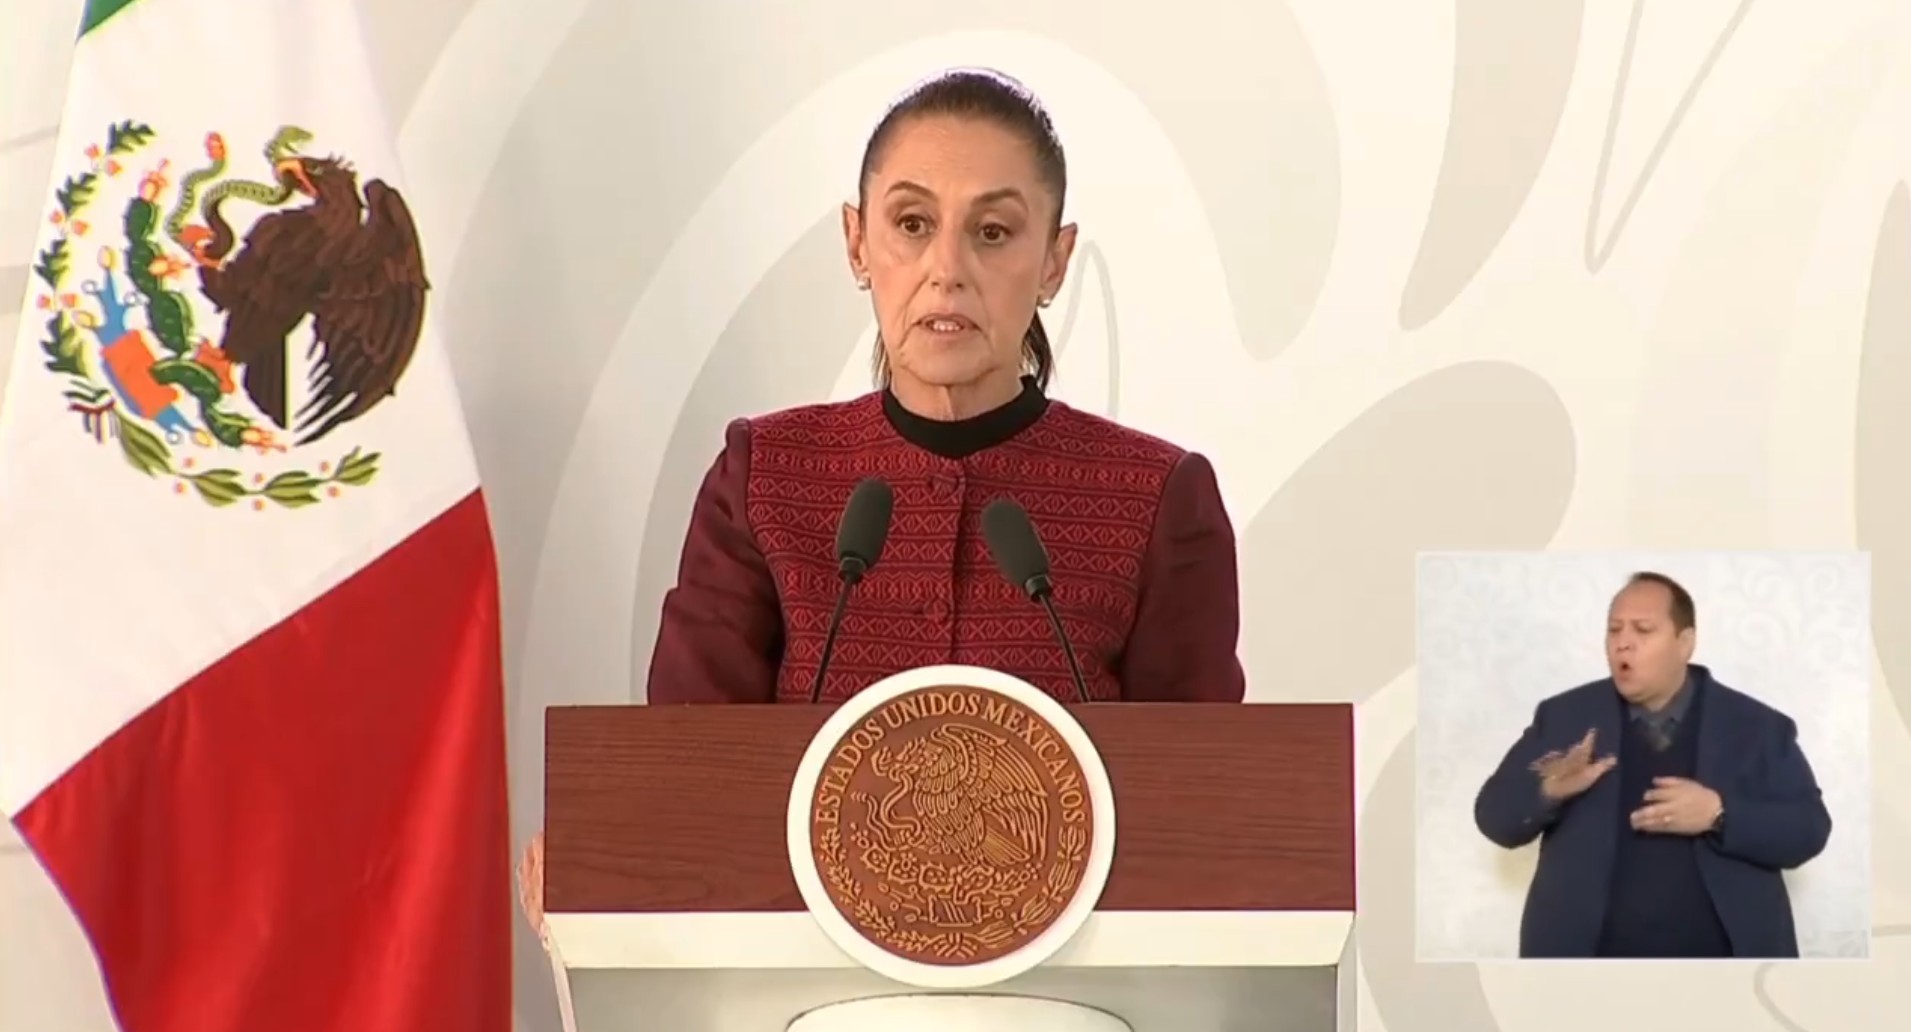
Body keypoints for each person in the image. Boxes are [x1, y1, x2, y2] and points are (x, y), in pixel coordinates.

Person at [645, 67, 1246, 705]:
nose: (947, 270)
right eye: (912, 224)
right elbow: (688, 768)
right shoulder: (762, 478)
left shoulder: (1155, 498)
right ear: (857, 243)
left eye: (992, 232)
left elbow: (1200, 785)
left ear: (1054, 261)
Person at [1472, 571, 1833, 958]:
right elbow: (1495, 819)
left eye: (1643, 630)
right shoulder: (1566, 718)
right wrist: (1549, 791)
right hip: (1585, 971)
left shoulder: (1756, 726)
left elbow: (1808, 830)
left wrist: (1719, 814)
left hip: (1726, 969)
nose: (1623, 644)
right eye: (1614, 631)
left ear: (1685, 643)